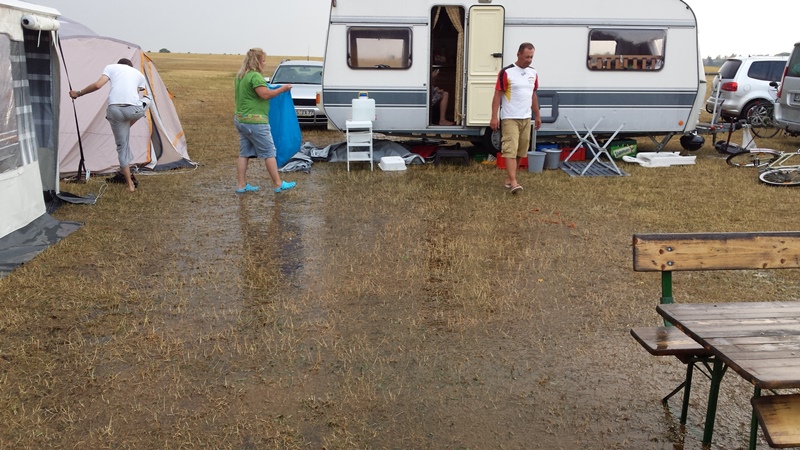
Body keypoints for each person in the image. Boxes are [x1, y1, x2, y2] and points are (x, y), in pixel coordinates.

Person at [69, 58, 151, 192]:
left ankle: (130, 185)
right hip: (134, 110)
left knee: (122, 147)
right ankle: (128, 124)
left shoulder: (111, 67)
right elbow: (133, 95)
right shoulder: (138, 74)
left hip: (114, 111)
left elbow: (97, 85)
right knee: (148, 99)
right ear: (130, 67)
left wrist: (78, 93)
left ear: (118, 65)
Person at [234, 48, 296, 194]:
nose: (265, 63)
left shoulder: (241, 76)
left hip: (241, 119)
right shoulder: (255, 76)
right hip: (255, 121)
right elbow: (265, 94)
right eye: (263, 60)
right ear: (257, 61)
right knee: (269, 152)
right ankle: (278, 184)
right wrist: (282, 89)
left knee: (244, 153)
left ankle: (241, 185)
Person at [490, 42, 542, 194]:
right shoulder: (507, 72)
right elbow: (497, 95)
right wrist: (494, 117)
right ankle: (513, 182)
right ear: (518, 54)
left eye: (531, 57)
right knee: (510, 149)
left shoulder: (533, 73)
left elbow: (533, 95)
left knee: (521, 150)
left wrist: (537, 115)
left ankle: (510, 178)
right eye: (526, 57)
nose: (529, 60)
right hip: (510, 117)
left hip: (526, 117)